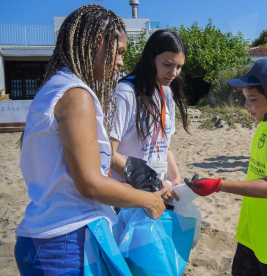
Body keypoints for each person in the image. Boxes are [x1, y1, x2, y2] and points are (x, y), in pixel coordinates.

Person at [14, 5, 166, 275]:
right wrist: (147, 200)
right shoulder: (75, 94)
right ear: (99, 43)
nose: (121, 63)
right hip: (64, 244)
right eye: (119, 52)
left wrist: (143, 177)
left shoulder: (57, 86)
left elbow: (91, 165)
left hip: (49, 238)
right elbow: (90, 185)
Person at [185, 59, 267, 276]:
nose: (246, 105)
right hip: (254, 231)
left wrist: (218, 185)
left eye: (253, 99)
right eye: (245, 98)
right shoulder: (265, 124)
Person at [110, 30, 188, 200]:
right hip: (126, 196)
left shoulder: (166, 92)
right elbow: (107, 153)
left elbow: (163, 145)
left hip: (154, 192)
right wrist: (149, 181)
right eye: (167, 65)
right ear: (149, 59)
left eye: (179, 67)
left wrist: (175, 181)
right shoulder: (125, 93)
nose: (173, 73)